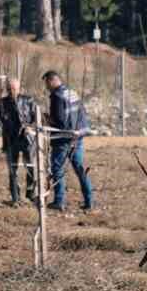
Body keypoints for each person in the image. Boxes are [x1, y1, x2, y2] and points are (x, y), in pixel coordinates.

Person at [42, 70, 93, 211]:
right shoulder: (72, 93)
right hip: (77, 138)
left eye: (46, 83)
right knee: (80, 170)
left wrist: (46, 119)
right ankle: (89, 201)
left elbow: (59, 121)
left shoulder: (56, 96)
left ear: (52, 81)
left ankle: (59, 201)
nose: (46, 87)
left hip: (62, 140)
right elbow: (82, 113)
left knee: (57, 169)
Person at [0, 78, 39, 205]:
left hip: (27, 140)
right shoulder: (1, 104)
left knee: (31, 167)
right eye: (9, 89)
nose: (11, 91)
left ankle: (30, 195)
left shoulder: (28, 101)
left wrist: (30, 127)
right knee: (12, 170)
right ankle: (15, 198)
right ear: (6, 89)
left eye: (14, 88)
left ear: (19, 88)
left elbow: (37, 118)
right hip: (10, 141)